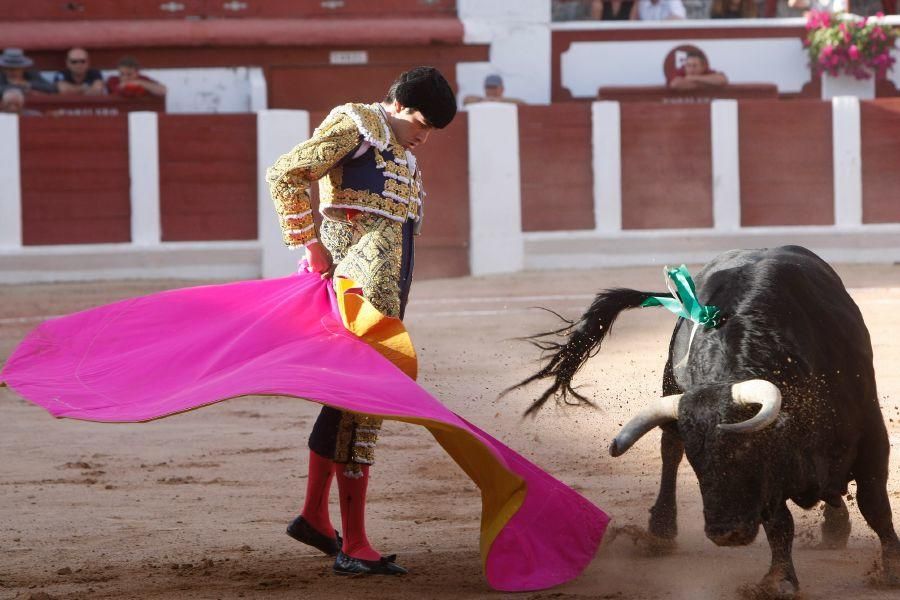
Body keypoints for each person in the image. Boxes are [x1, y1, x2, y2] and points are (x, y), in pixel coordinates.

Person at [266, 66, 457, 576]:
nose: (424, 133)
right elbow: (286, 172)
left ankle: (313, 515)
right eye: (421, 120)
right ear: (396, 103)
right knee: (361, 402)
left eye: (432, 128)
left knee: (348, 399)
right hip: (357, 294)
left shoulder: (403, 157)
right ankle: (354, 543)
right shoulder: (357, 124)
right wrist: (309, 244)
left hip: (383, 298)